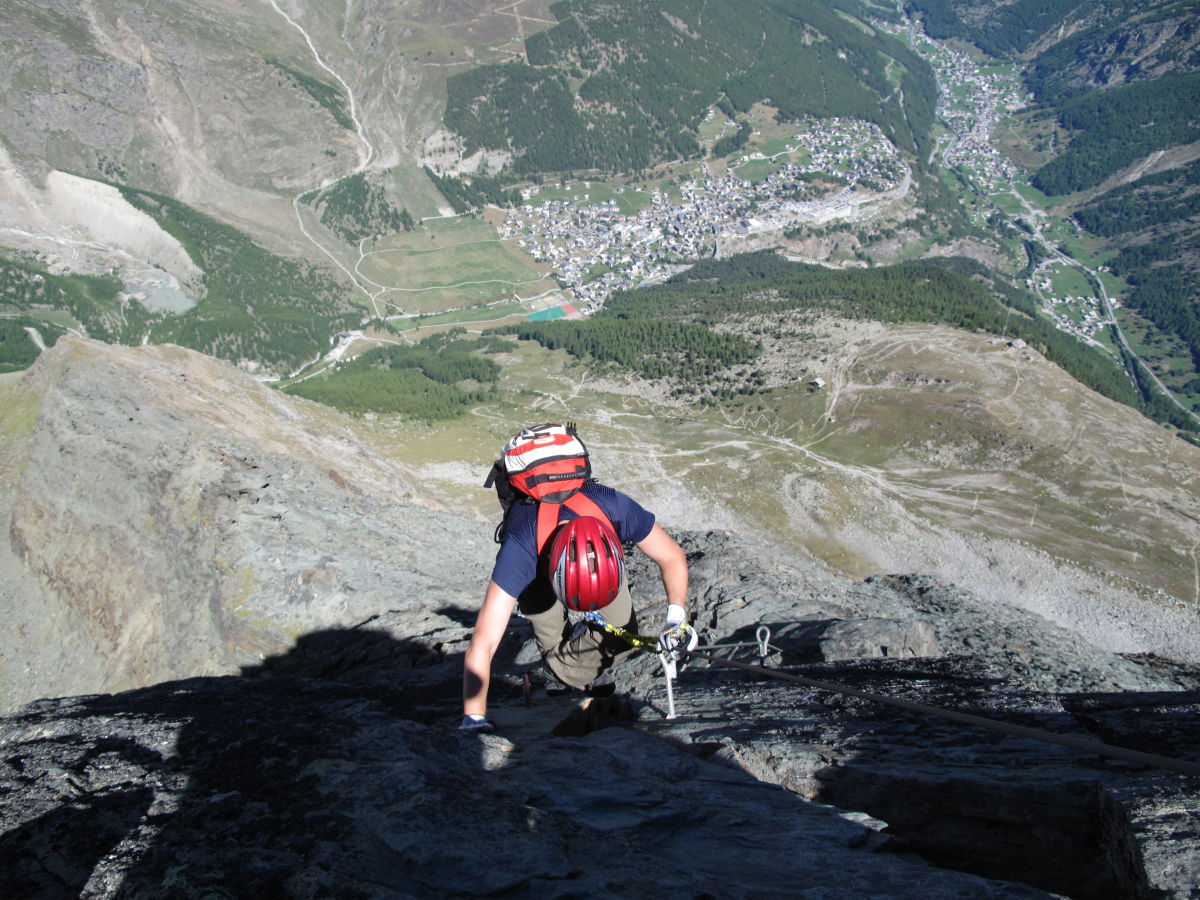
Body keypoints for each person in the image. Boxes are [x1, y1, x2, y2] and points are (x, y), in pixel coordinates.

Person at [460, 424, 691, 733]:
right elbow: (484, 641)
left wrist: (676, 618)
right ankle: (562, 670)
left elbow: (671, 556)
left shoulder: (613, 507)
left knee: (622, 637)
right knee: (555, 650)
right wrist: (474, 717)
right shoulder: (522, 545)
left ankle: (582, 657)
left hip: (600, 566)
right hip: (539, 575)